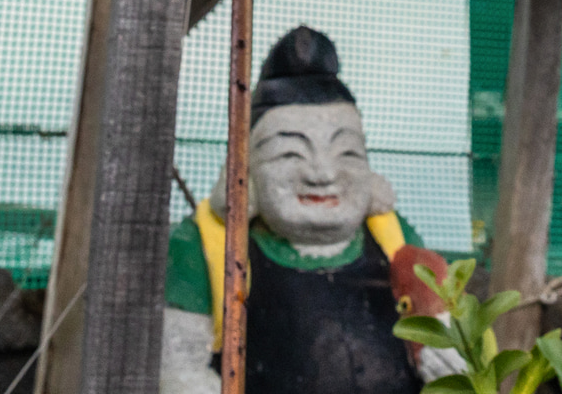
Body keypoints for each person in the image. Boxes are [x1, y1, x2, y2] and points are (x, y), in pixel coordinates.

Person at [160, 27, 465, 394]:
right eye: (290, 153)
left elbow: (448, 338)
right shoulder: (206, 248)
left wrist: (446, 357)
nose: (323, 174)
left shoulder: (393, 239)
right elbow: (179, 369)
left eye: (346, 153)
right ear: (246, 169)